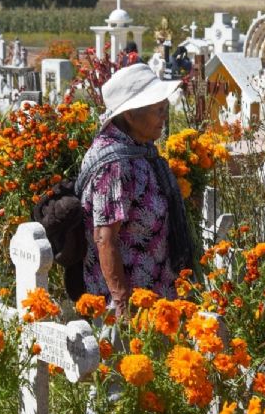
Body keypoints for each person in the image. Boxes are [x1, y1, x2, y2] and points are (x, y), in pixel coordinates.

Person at [80, 64, 195, 317]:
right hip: (131, 310)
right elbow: (104, 237)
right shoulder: (114, 165)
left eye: (166, 108)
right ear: (131, 115)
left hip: (153, 297)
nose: (165, 116)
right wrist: (123, 304)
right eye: (159, 110)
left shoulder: (138, 150)